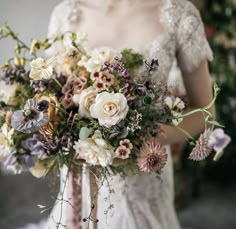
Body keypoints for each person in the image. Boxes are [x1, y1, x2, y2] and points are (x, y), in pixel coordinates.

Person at [46, 0, 215, 228]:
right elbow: (54, 100)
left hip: (145, 174)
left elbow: (206, 111)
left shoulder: (179, 13)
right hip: (81, 177)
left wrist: (152, 137)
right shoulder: (65, 13)